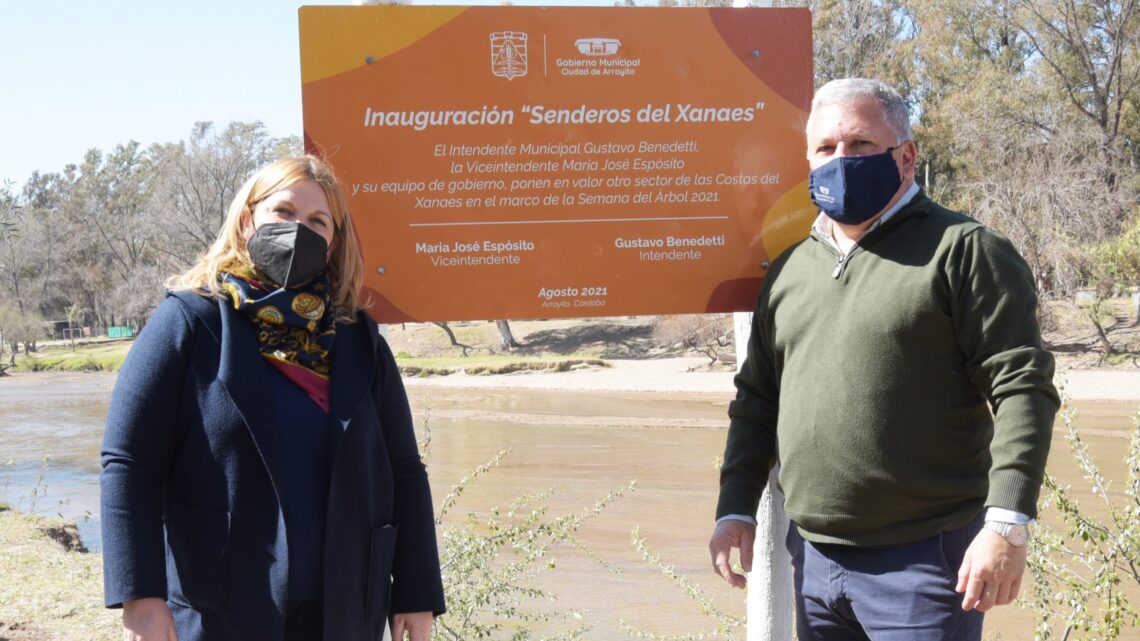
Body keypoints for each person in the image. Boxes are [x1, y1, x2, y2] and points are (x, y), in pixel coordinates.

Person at [708, 78, 1059, 640]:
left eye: (860, 145)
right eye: (825, 149)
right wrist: (735, 509)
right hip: (816, 563)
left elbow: (1023, 389)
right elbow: (757, 402)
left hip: (925, 564)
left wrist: (1008, 526)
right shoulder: (790, 270)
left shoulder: (963, 250)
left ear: (906, 156)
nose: (840, 160)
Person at [101, 155, 445, 641]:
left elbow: (405, 470)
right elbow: (129, 463)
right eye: (283, 212)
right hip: (220, 607)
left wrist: (415, 590)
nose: (298, 229)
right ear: (248, 219)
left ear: (333, 242)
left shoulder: (356, 341)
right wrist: (140, 599)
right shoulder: (190, 322)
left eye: (317, 221)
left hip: (345, 611)